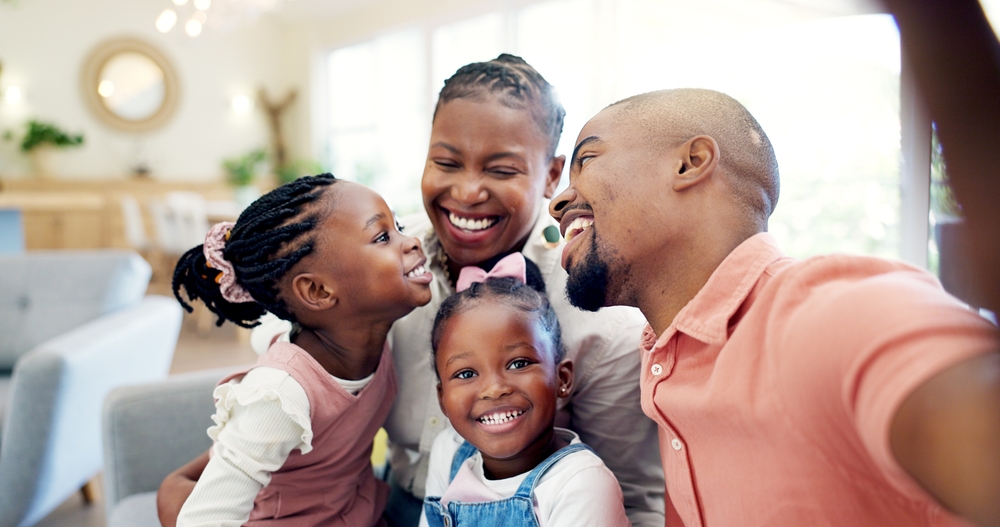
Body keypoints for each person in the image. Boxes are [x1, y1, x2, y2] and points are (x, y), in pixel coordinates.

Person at [158, 54, 663, 527]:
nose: (467, 192)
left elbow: (636, 499)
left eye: (501, 169)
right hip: (390, 505)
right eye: (446, 162)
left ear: (552, 174)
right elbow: (289, 364)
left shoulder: (599, 318)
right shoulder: (372, 279)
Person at [548, 87, 1000, 526]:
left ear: (691, 163)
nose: (558, 202)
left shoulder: (833, 312)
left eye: (586, 160)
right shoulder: (663, 360)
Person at [168, 174, 434, 526]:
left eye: (398, 226)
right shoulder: (280, 395)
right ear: (318, 292)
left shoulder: (378, 338)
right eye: (382, 236)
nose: (413, 241)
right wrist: (174, 490)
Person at [419, 253, 629, 527]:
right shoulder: (448, 454)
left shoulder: (581, 483)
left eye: (518, 363)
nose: (494, 389)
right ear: (443, 400)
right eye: (466, 373)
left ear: (562, 378)